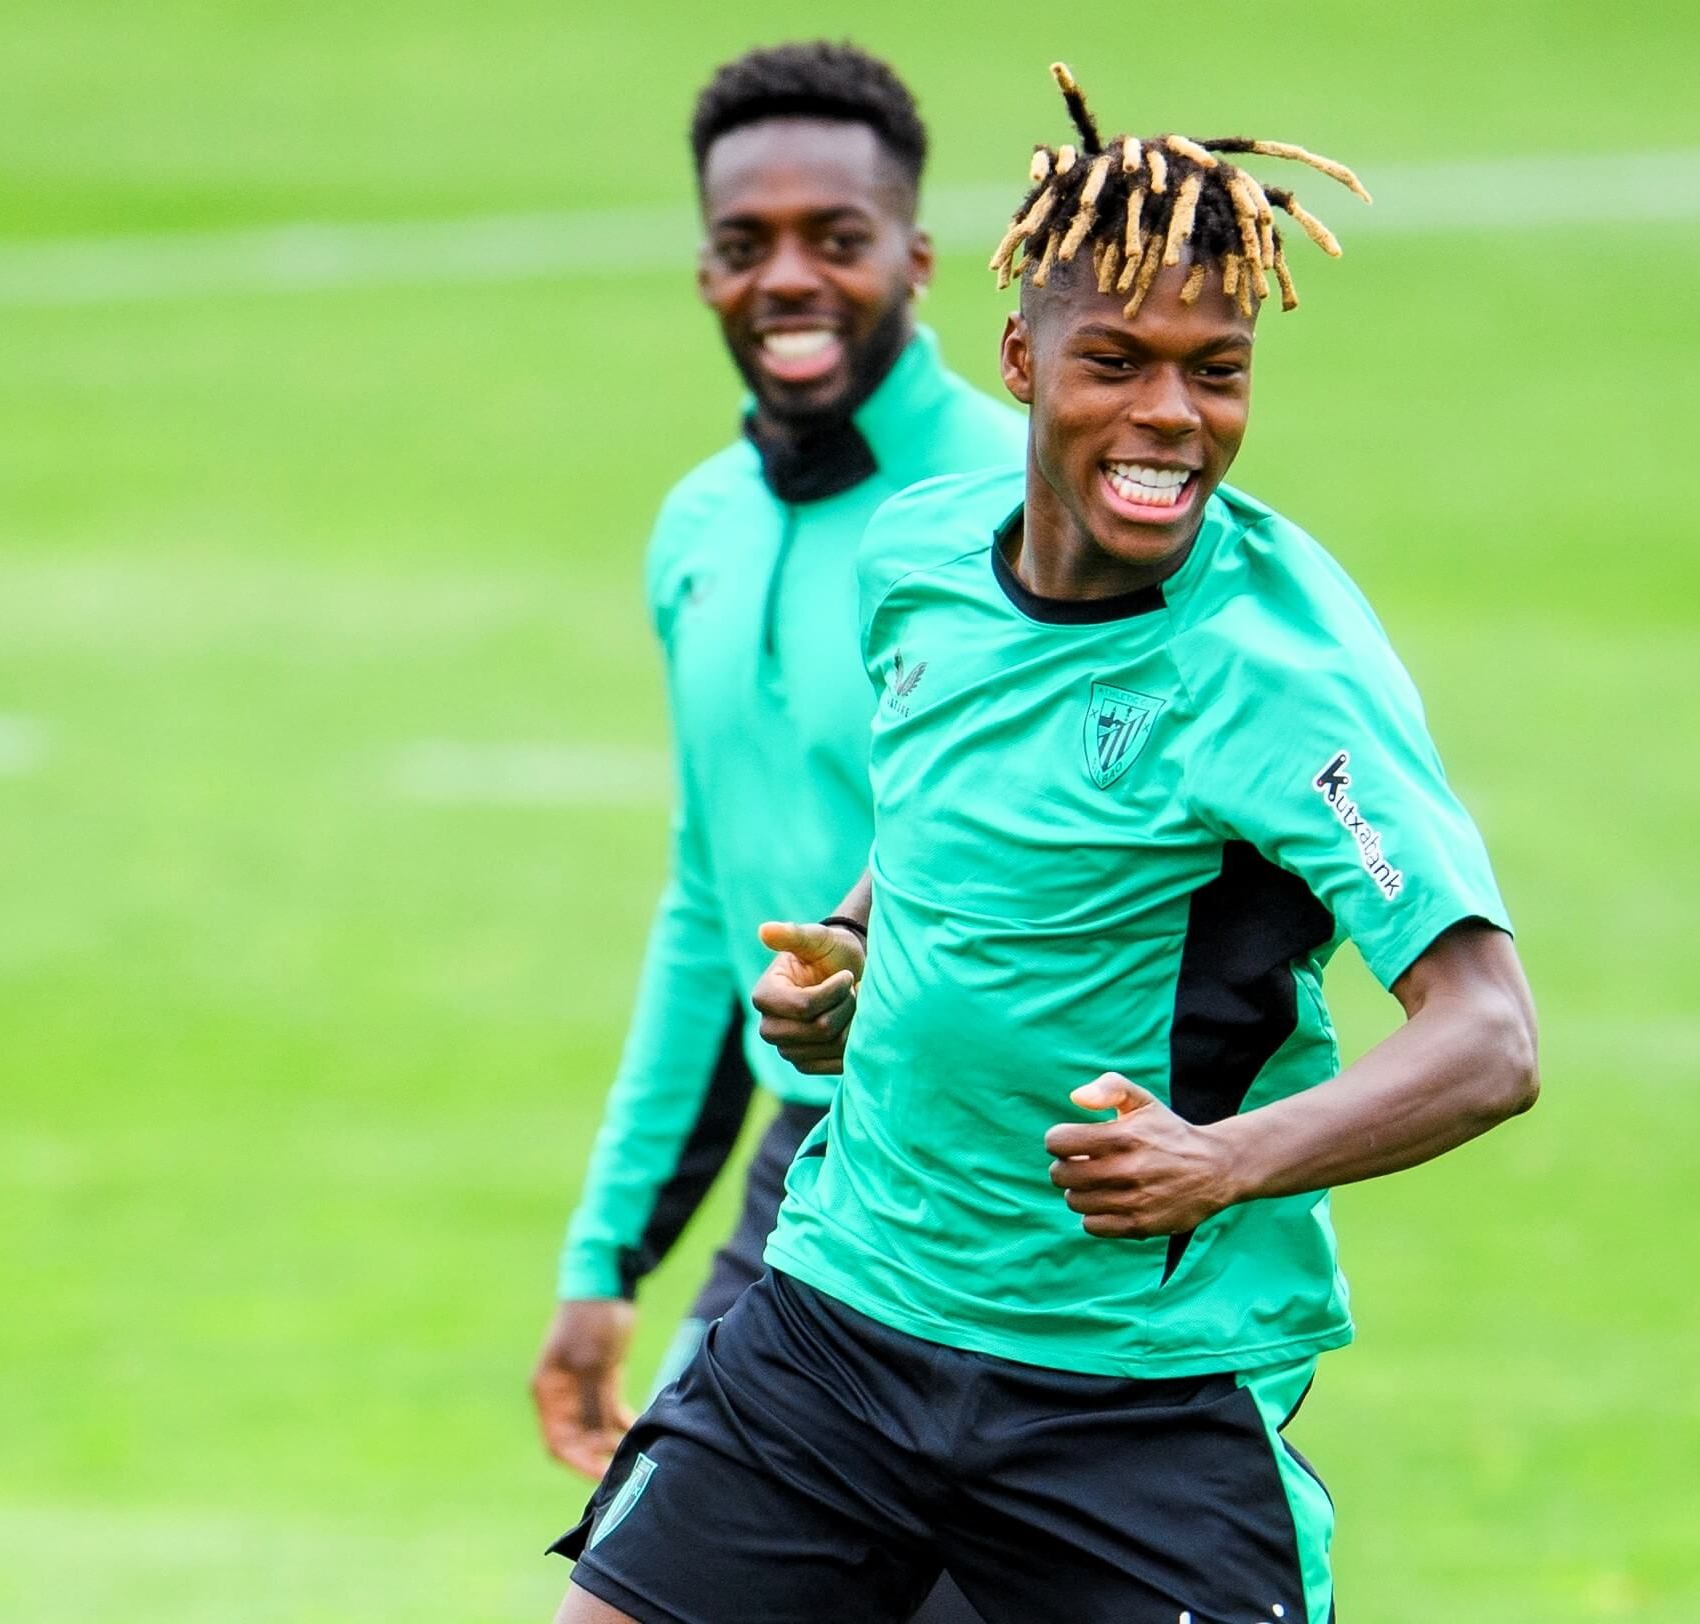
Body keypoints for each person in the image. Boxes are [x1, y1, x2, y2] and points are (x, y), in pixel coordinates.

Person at [551, 64, 1543, 1624]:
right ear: (1022, 358)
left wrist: (1219, 1162)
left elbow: (1490, 1038)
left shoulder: (1278, 674)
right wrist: (856, 948)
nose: (1171, 415)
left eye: (1216, 371)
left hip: (1128, 1393)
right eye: (1118, 362)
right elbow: (939, 807)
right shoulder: (922, 557)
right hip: (844, 1316)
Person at [528, 42, 1016, 1620]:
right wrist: (608, 1254)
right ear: (705, 271)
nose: (788, 278)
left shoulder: (1028, 511)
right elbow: (709, 904)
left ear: (917, 258)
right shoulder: (700, 527)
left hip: (1012, 1208)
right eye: (747, 244)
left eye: (836, 237)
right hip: (806, 1193)